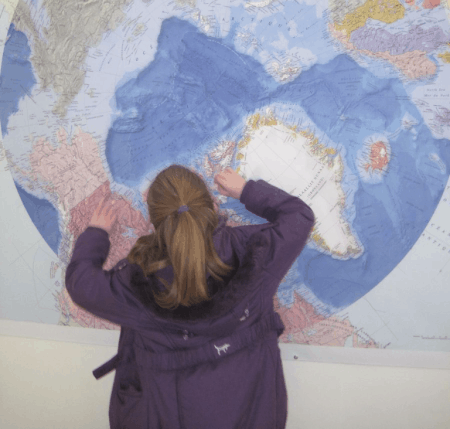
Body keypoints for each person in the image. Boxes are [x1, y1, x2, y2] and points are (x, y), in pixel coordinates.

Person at [66, 165, 314, 429]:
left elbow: (80, 284)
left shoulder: (135, 281)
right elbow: (298, 216)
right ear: (212, 205)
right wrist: (244, 190)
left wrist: (96, 233)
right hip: (251, 413)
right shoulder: (252, 251)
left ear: (155, 219)